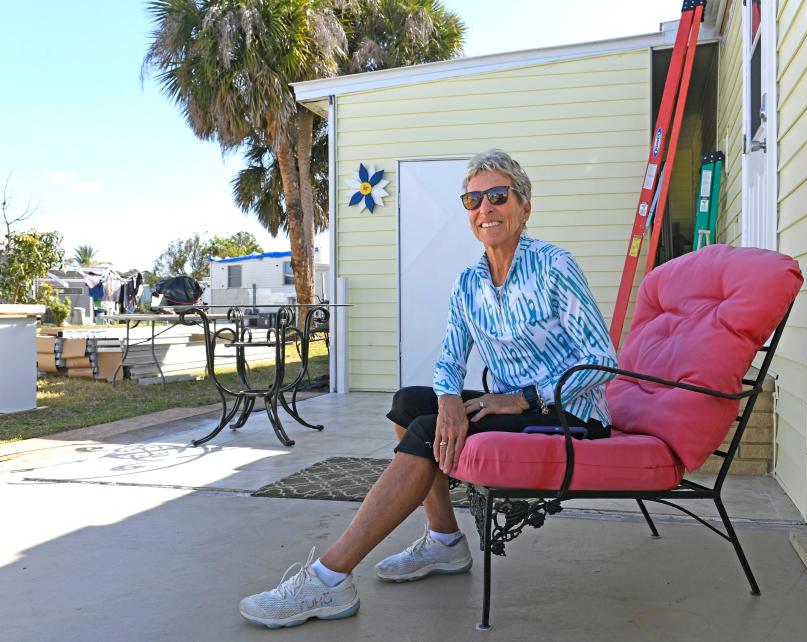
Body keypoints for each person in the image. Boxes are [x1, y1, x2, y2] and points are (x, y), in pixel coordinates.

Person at [239, 149, 618, 628]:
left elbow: (603, 360)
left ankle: (328, 580)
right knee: (410, 404)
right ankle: (445, 541)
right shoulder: (469, 282)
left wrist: (524, 397)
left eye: (498, 196)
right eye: (473, 199)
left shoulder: (555, 267)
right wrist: (448, 399)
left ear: (524, 206)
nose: (485, 208)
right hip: (511, 409)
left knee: (422, 430)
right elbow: (449, 358)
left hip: (569, 414)